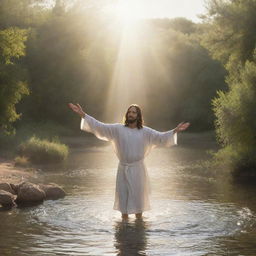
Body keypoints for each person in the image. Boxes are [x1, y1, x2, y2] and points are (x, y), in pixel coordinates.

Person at [68, 103, 190, 220]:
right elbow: (100, 126)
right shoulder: (118, 129)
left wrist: (175, 130)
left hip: (138, 169)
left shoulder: (146, 132)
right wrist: (83, 114)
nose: (130, 114)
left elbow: (161, 137)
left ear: (138, 116)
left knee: (138, 202)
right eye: (129, 112)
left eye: (134, 112)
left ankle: (139, 229)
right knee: (123, 201)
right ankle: (124, 229)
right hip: (123, 168)